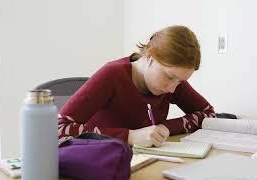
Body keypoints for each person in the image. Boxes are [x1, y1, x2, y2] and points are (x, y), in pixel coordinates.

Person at [58, 25, 216, 147]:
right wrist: (130, 136)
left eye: (180, 81)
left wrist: (166, 127)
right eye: (169, 77)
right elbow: (57, 128)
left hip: (144, 161)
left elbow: (209, 114)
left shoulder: (173, 79)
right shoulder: (112, 74)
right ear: (150, 55)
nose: (172, 89)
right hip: (100, 163)